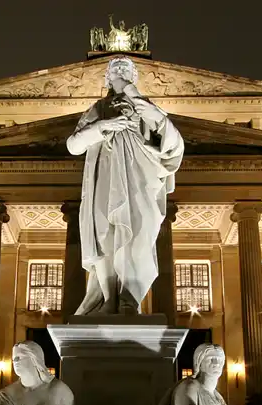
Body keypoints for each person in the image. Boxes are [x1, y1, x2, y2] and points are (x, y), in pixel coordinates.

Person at [66, 57, 185, 314]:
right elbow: (73, 145)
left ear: (134, 77)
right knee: (105, 236)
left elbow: (173, 142)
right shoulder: (99, 109)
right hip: (106, 181)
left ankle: (130, 299)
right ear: (107, 78)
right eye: (115, 69)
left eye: (126, 70)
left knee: (138, 238)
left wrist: (134, 96)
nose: (120, 72)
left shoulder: (146, 108)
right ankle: (109, 299)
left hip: (139, 182)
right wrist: (103, 126)